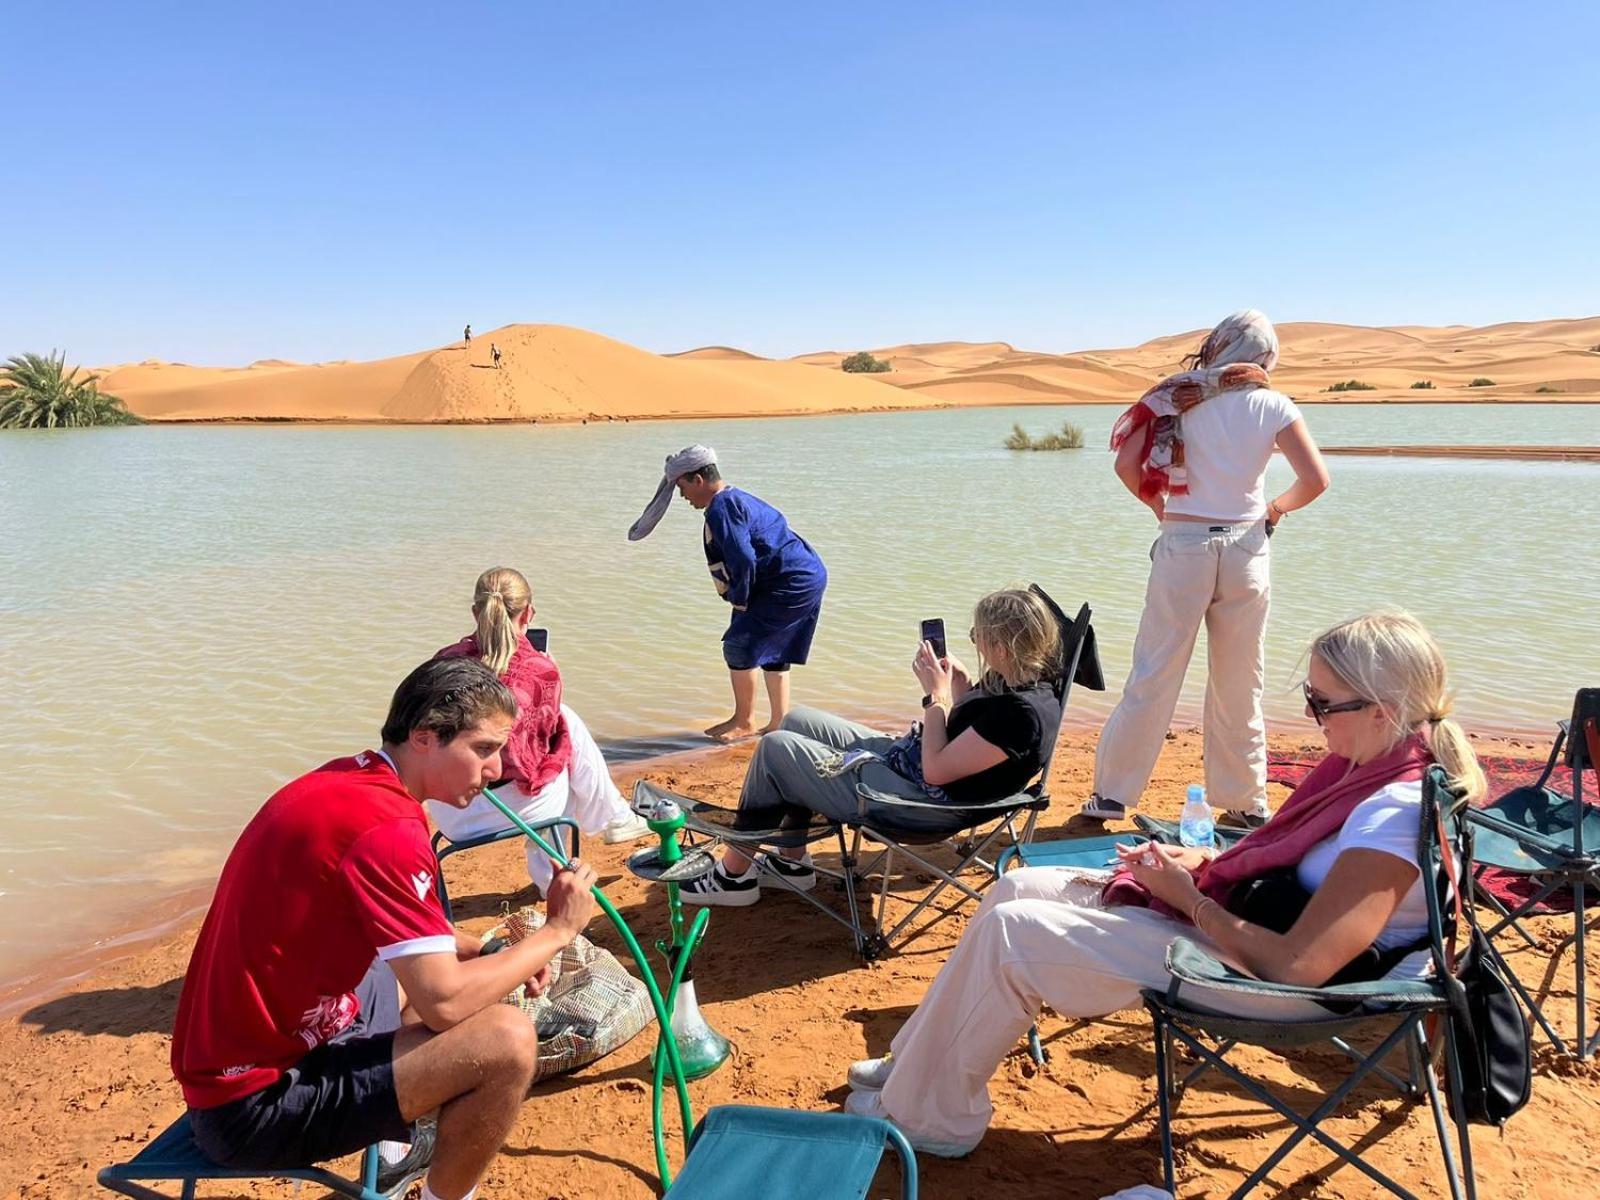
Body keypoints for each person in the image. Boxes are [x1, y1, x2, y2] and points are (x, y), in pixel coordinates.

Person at [841, 611, 1485, 1157]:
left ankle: (929, 1121)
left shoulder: (1392, 813)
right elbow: (1297, 859)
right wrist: (1202, 863)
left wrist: (1191, 898)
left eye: (1322, 703)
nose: (1312, 715)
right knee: (1018, 888)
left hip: (1281, 982)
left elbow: (1303, 966)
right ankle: (913, 1070)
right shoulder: (1377, 768)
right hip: (1257, 930)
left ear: (1385, 710)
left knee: (1015, 933)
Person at [170, 656, 602, 1200]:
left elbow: (389, 929)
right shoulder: (390, 830)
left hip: (235, 1064)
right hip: (253, 1104)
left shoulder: (350, 781)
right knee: (508, 1042)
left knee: (421, 973)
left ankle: (403, 1143)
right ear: (425, 738)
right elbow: (444, 1003)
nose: (498, 771)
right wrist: (557, 931)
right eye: (484, 749)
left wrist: (484, 950)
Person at [1083, 309, 1330, 828]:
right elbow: (1315, 479)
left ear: (1219, 345)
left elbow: (1126, 465)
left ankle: (1111, 796)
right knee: (1242, 680)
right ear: (1267, 355)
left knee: (1154, 671)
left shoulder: (1176, 397)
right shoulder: (1273, 404)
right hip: (1246, 547)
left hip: (1184, 544)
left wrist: (1162, 509)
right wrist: (1276, 509)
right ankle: (1245, 803)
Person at [679, 587, 1063, 907]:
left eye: (976, 635)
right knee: (796, 721)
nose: (973, 640)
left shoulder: (1021, 715)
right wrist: (960, 683)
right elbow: (973, 731)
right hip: (913, 769)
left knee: (776, 749)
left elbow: (937, 769)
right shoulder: (1021, 678)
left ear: (1001, 647)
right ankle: (793, 863)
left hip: (923, 804)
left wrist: (936, 699)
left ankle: (733, 875)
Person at [428, 568, 648, 895]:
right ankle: (566, 860)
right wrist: (551, 675)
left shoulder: (442, 664)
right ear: (529, 613)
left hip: (454, 817)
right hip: (519, 812)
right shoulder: (538, 670)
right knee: (565, 741)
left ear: (476, 612)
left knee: (562, 726)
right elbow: (533, 756)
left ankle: (614, 817)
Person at [628, 445, 828, 742]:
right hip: (806, 575)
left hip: (788, 581)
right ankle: (778, 724)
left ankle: (744, 721)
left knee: (739, 644)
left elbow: (743, 558)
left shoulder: (721, 508)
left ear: (698, 480)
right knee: (773, 649)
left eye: (682, 488)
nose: (682, 497)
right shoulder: (736, 498)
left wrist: (740, 599)